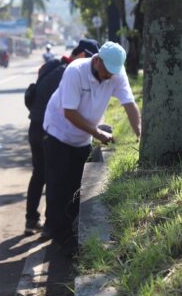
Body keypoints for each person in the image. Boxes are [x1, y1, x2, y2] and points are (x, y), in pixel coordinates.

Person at [42, 41, 141, 256]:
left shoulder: (116, 73)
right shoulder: (75, 71)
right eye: (107, 72)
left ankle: (65, 231)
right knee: (59, 186)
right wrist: (98, 133)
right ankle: (60, 238)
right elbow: (69, 112)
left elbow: (129, 105)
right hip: (60, 132)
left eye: (113, 74)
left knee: (77, 188)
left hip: (83, 136)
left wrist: (140, 134)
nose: (109, 78)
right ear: (97, 61)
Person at [24, 38, 100, 236]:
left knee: (39, 173)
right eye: (92, 60)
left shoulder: (50, 65)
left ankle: (31, 220)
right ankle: (51, 226)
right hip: (51, 131)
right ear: (82, 55)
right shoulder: (73, 73)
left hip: (35, 126)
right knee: (56, 178)